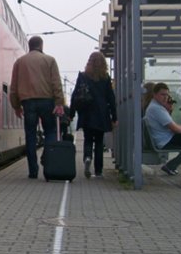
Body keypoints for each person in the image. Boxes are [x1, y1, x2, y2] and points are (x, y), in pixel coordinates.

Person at [10, 36, 66, 179]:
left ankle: (33, 171)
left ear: (29, 46)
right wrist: (59, 102)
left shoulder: (19, 62)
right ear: (41, 46)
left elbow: (14, 88)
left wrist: (16, 106)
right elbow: (56, 84)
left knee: (30, 136)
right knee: (50, 132)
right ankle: (48, 164)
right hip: (47, 101)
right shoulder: (50, 60)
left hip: (28, 103)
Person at [69, 51, 117, 179]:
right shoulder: (106, 78)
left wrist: (71, 114)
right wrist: (114, 116)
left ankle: (87, 157)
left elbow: (75, 96)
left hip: (86, 112)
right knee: (100, 142)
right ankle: (99, 171)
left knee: (88, 138)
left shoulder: (83, 76)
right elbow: (111, 98)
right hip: (101, 113)